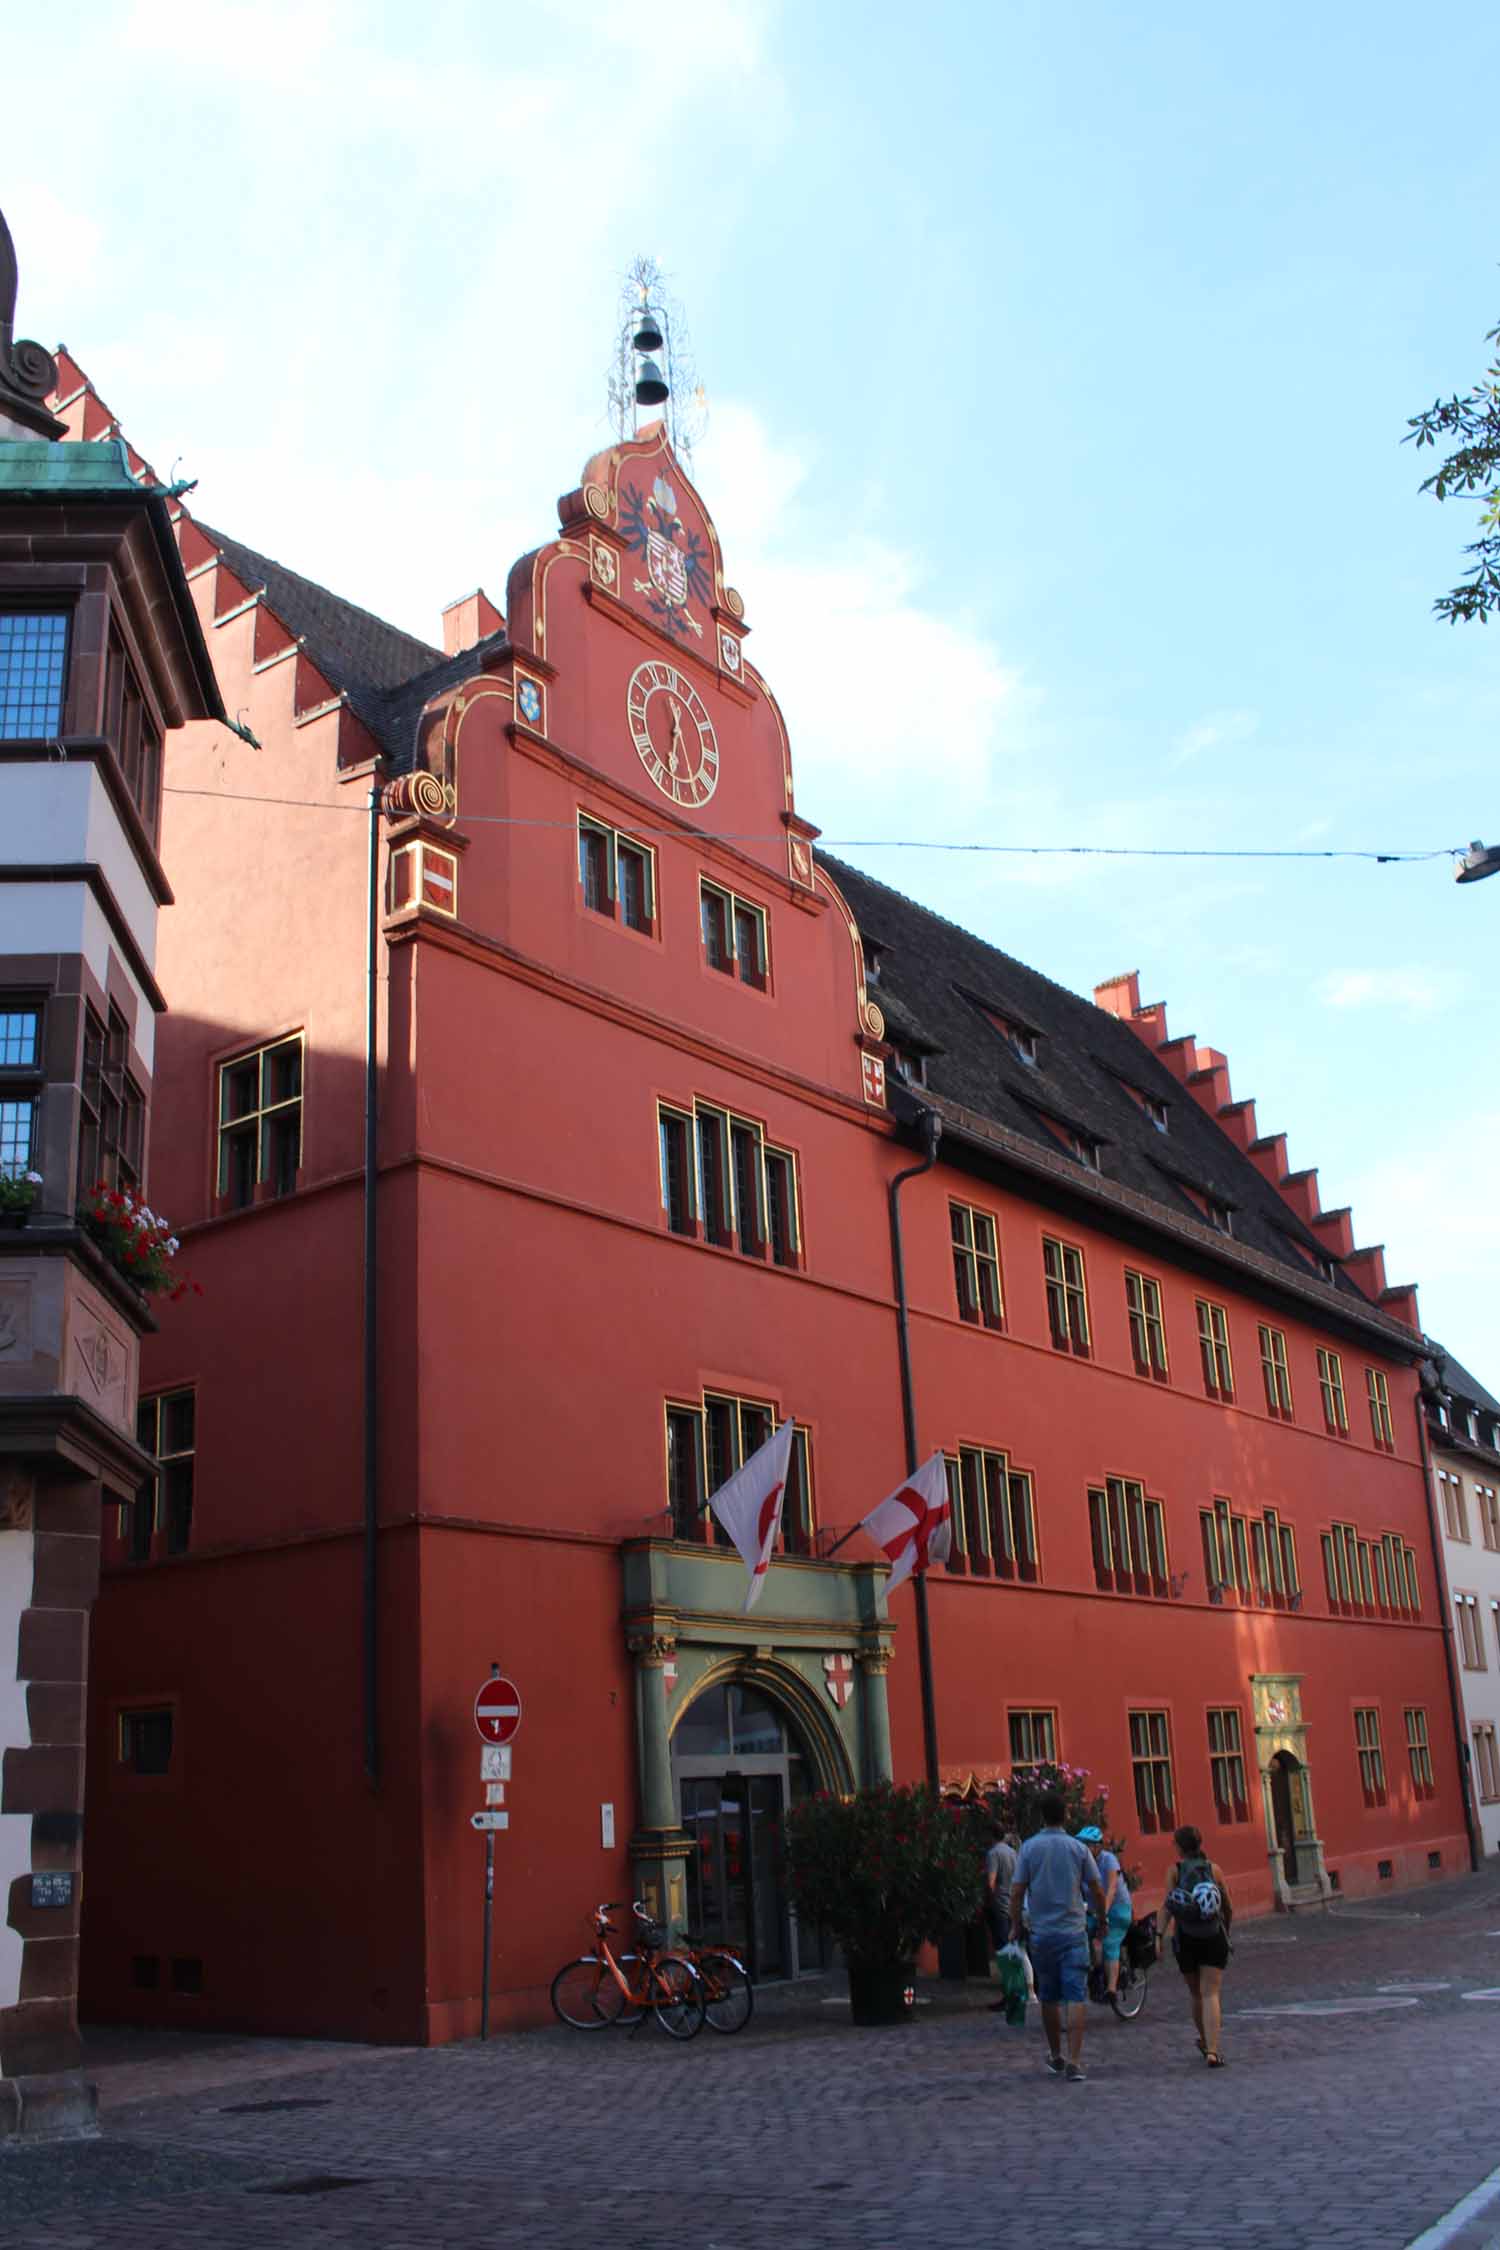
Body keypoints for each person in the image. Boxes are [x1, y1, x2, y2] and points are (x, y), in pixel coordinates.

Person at [1008, 1790, 1107, 2082]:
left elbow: (1016, 1892)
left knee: (1049, 1997)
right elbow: (1097, 1889)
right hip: (1073, 1931)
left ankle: (1056, 2055)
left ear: (1042, 1816)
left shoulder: (1029, 1849)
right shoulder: (1078, 1849)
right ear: (1065, 1816)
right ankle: (1076, 2060)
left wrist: (1015, 1924)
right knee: (1076, 1996)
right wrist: (1102, 1918)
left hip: (1042, 1933)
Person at [1156, 1822, 1233, 2067]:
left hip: (1186, 1938)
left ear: (1179, 1847)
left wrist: (1159, 1936)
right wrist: (1226, 1931)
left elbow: (1167, 1906)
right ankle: (1212, 2049)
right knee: (1211, 1993)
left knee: (1196, 1994)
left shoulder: (1174, 1871)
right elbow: (1227, 1906)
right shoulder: (1215, 1869)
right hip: (1213, 1936)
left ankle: (1203, 2038)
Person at [1077, 1825, 1133, 1999]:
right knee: (1081, 1934)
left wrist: (1104, 1915)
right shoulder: (1081, 1863)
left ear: (1098, 1846)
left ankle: (1111, 1990)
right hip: (1094, 1910)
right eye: (1082, 1844)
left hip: (1117, 1909)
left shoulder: (1108, 1860)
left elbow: (1111, 1889)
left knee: (1110, 1943)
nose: (1084, 1848)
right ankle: (1096, 1969)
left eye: (1088, 1845)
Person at [983, 1823, 1019, 1958]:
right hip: (1012, 1903)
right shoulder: (1012, 1852)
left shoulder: (993, 1853)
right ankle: (1016, 1977)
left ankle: (1007, 1976)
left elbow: (990, 1882)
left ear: (991, 1835)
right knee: (1013, 1943)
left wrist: (987, 1899)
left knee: (1002, 1945)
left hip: (999, 1905)